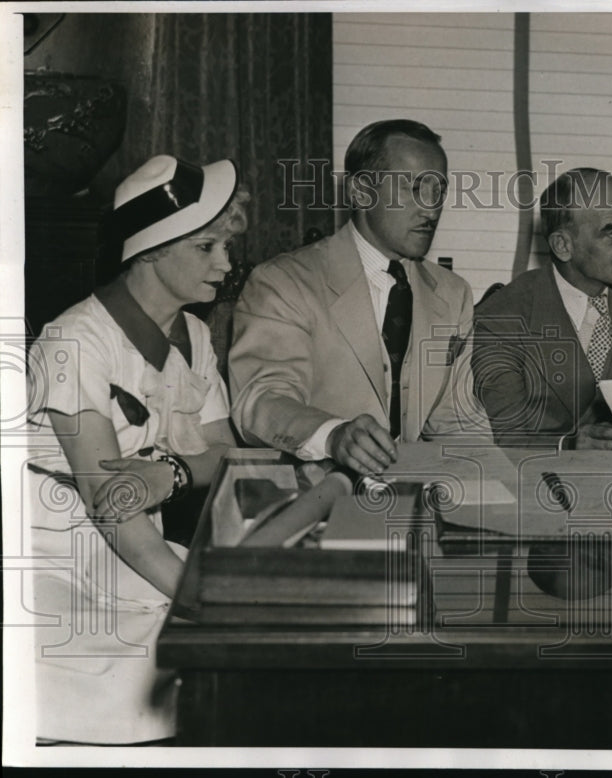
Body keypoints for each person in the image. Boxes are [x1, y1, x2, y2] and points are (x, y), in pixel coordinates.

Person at [28, 155, 247, 743]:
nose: (227, 264)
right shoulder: (75, 341)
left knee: (219, 643)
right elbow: (108, 504)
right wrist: (193, 598)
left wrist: (168, 474)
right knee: (145, 664)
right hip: (49, 556)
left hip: (131, 546)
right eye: (206, 248)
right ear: (151, 249)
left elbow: (225, 454)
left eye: (225, 246)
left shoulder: (194, 335)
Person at [228, 119, 485, 475]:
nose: (431, 209)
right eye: (413, 189)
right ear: (362, 192)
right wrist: (333, 435)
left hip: (408, 501)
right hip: (313, 502)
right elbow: (261, 400)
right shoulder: (283, 282)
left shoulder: (453, 294)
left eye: (437, 191)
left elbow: (457, 422)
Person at [472, 167, 612, 448]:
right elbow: (508, 435)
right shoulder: (502, 315)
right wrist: (569, 444)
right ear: (562, 245)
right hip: (538, 478)